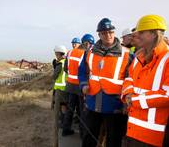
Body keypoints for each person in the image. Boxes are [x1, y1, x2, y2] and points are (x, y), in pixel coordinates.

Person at [78, 18, 132, 147]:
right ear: (99, 35)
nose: (108, 35)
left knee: (113, 139)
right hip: (92, 102)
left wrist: (126, 102)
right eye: (104, 33)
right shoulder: (89, 53)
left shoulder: (127, 54)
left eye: (110, 32)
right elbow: (82, 71)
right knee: (89, 137)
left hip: (115, 104)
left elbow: (131, 79)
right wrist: (84, 84)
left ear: (114, 32)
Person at [121, 15, 169, 147]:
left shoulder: (167, 59)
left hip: (154, 135)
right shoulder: (139, 57)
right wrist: (127, 94)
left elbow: (166, 95)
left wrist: (134, 100)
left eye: (141, 32)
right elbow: (128, 78)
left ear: (154, 34)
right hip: (133, 128)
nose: (136, 35)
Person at [62, 34, 95, 137]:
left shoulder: (70, 52)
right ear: (87, 43)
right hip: (80, 86)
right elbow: (87, 70)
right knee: (82, 111)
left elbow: (65, 69)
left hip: (70, 85)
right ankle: (82, 134)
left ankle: (65, 130)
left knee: (70, 108)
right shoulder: (86, 53)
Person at [52, 45, 68, 128]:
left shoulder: (60, 63)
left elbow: (54, 76)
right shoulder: (67, 61)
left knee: (61, 107)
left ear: (59, 54)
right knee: (64, 106)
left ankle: (63, 123)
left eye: (56, 54)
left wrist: (55, 67)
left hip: (60, 89)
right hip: (66, 88)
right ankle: (65, 122)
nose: (56, 56)